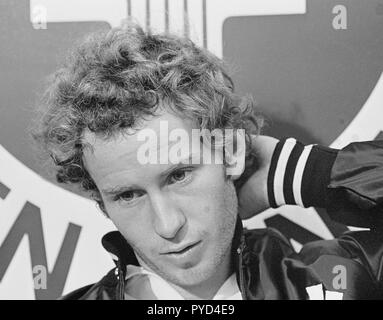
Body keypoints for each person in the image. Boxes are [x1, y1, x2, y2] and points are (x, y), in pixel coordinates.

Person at [33, 23, 383, 300]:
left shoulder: (340, 281)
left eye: (179, 175)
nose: (168, 226)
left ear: (229, 152)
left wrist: (298, 172)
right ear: (102, 203)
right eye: (127, 196)